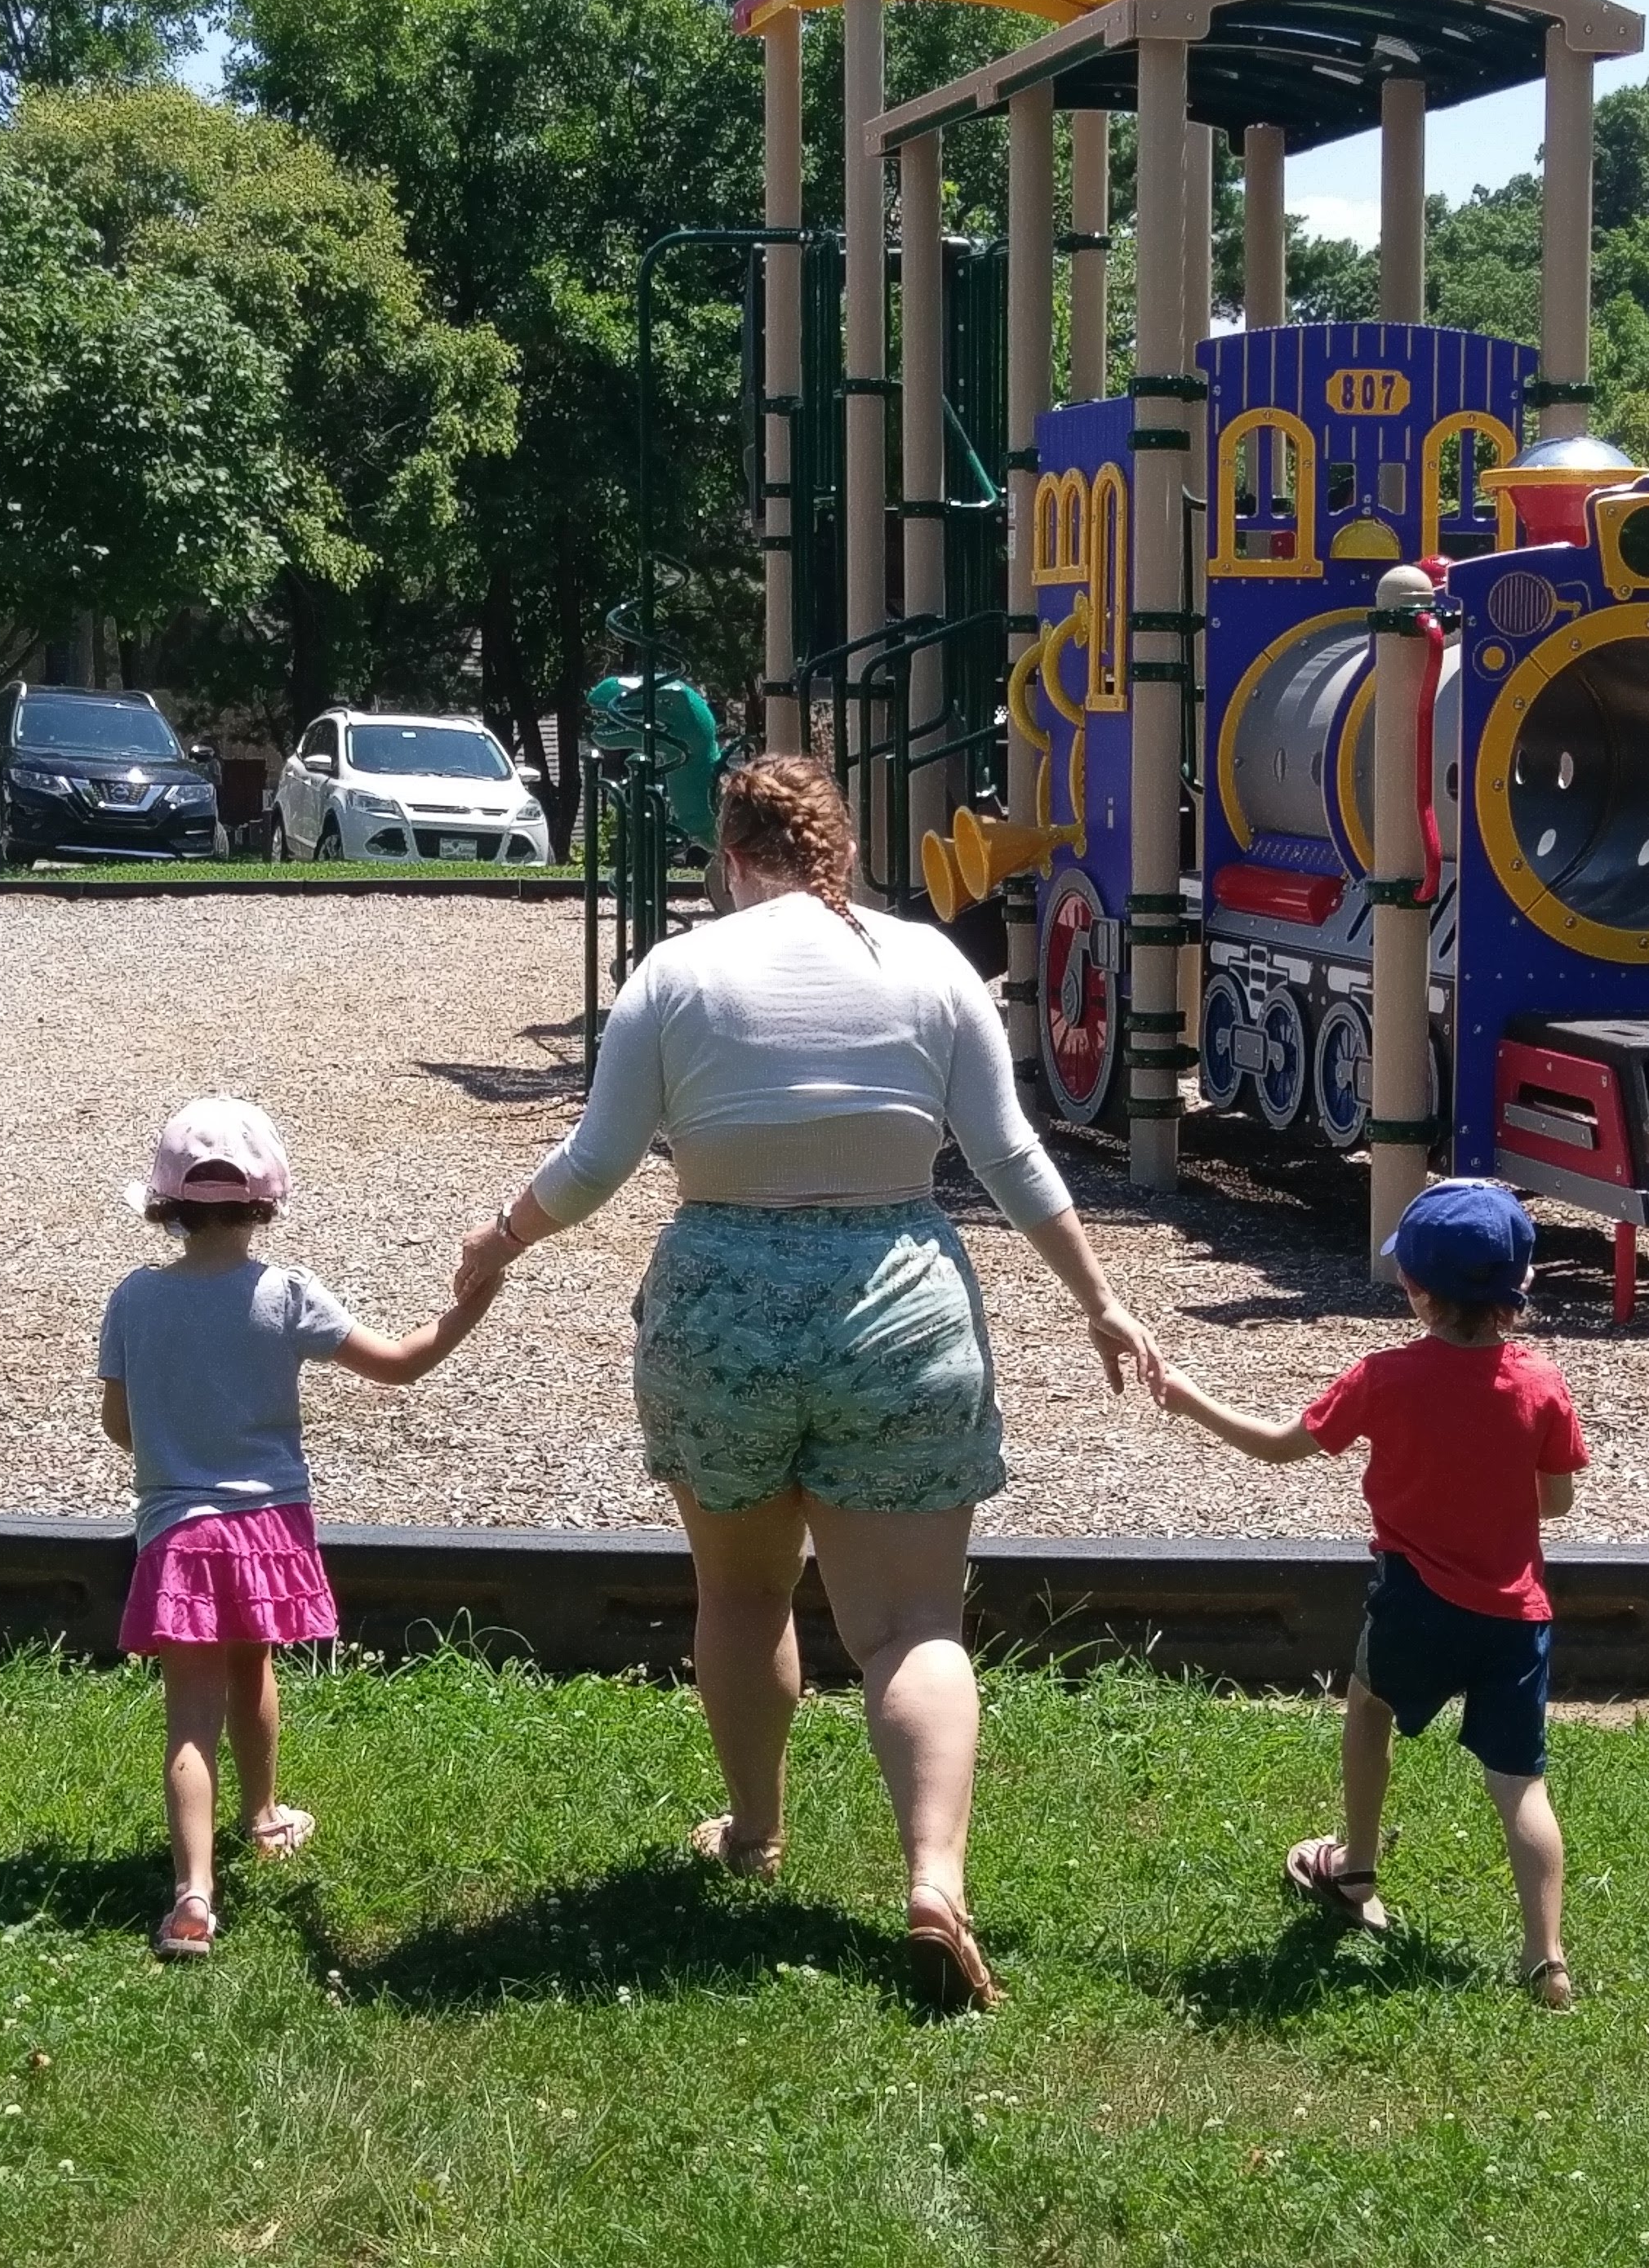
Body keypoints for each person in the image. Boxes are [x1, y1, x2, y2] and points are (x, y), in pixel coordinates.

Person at [451, 756, 1161, 2011]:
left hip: (721, 1301)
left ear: (731, 860)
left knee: (741, 1592)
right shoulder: (931, 967)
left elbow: (597, 1161)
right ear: (841, 853)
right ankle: (935, 1878)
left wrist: (500, 1239)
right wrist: (1100, 1300)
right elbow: (1010, 1157)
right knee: (911, 1627)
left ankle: (755, 1831)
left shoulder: (678, 974)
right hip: (900, 1299)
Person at [1152, 1179, 1585, 2009]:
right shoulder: (1539, 1384)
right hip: (1514, 1617)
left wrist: (1190, 1399)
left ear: (1416, 1292)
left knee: (1369, 1705)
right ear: (1516, 1291)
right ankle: (1545, 1959)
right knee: (1518, 1783)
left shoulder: (1382, 1378)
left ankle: (1353, 1872)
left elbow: (1283, 1448)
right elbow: (1557, 1500)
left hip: (1416, 1602)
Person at [104, 1098, 496, 1962]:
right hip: (266, 1529)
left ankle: (192, 1897)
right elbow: (398, 1363)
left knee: (189, 1719)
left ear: (166, 1202)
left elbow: (119, 1427)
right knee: (257, 1666)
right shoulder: (285, 1294)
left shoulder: (134, 1298)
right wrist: (471, 1306)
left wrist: (176, 1440)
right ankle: (265, 1815)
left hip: (178, 1533)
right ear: (266, 1197)